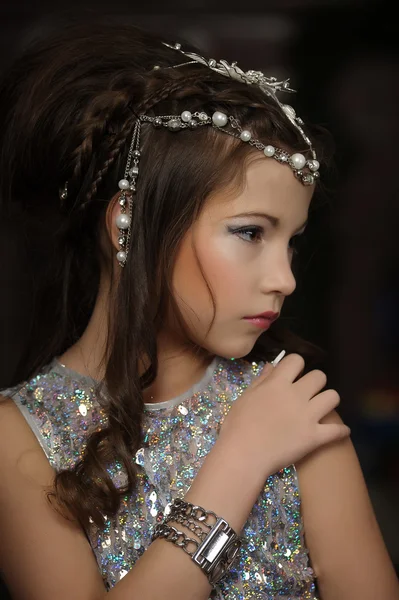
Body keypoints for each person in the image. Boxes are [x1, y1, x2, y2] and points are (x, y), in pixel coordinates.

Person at [0, 21, 397, 600]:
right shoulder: (22, 437)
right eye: (249, 232)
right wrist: (240, 460)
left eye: (291, 241)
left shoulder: (293, 408)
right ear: (126, 224)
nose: (284, 279)